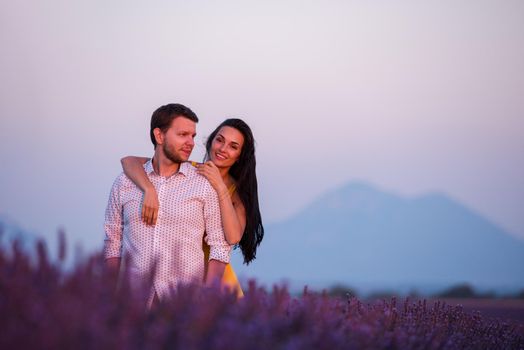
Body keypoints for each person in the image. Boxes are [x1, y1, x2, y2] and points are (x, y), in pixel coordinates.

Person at [104, 103, 231, 307]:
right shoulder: (125, 183)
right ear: (159, 136)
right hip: (132, 303)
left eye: (193, 136)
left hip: (184, 304)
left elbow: (220, 245)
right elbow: (112, 240)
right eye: (183, 134)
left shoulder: (203, 185)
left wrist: (207, 297)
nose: (191, 142)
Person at [121, 118, 264, 297]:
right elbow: (129, 162)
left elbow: (233, 236)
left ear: (239, 156)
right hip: (176, 281)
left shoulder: (237, 193)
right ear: (210, 141)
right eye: (220, 140)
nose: (222, 149)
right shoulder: (188, 169)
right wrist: (148, 189)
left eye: (233, 146)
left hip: (217, 283)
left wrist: (219, 186)